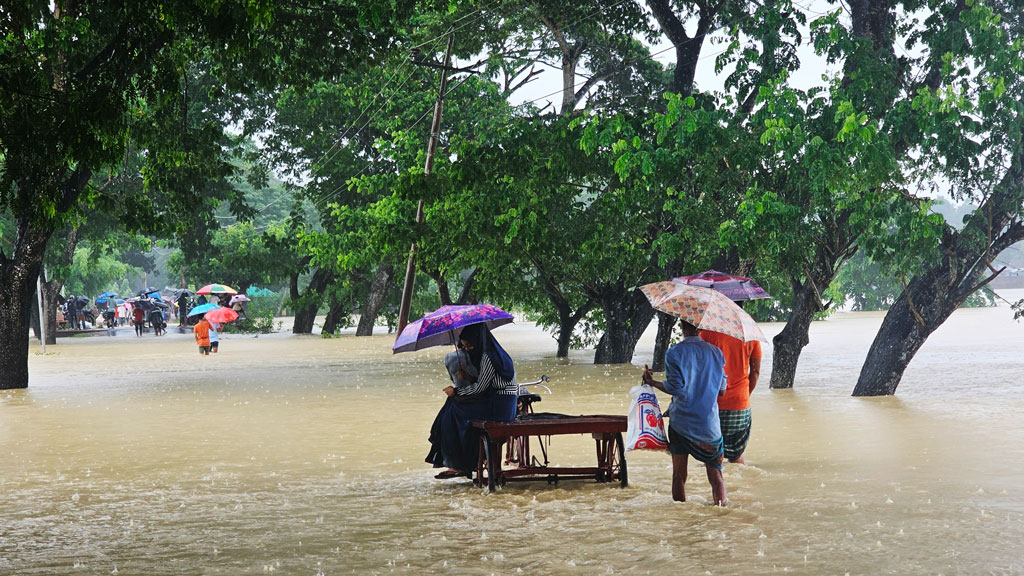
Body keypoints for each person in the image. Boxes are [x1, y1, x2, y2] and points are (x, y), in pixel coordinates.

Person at [642, 320, 728, 506]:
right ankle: (722, 515)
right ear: (701, 328)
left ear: (681, 326)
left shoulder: (674, 353)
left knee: (679, 476)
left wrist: (652, 382)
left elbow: (677, 388)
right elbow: (722, 391)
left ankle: (680, 522)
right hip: (709, 426)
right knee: (716, 476)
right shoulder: (716, 353)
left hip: (681, 424)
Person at [426, 324, 518, 479]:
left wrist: (455, 391)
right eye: (464, 346)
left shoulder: (488, 357)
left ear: (478, 340)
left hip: (500, 406)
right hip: (502, 403)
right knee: (452, 406)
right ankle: (461, 461)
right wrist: (468, 378)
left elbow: (480, 388)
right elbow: (488, 382)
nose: (467, 349)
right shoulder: (497, 353)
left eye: (469, 345)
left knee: (452, 410)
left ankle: (459, 463)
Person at [701, 325, 761, 464]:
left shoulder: (707, 333)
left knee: (712, 457)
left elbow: (701, 368)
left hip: (713, 403)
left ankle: (714, 485)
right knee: (736, 454)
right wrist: (745, 393)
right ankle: (737, 485)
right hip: (740, 402)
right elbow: (755, 372)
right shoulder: (751, 335)